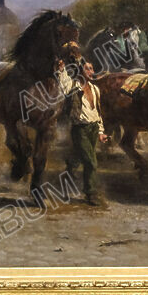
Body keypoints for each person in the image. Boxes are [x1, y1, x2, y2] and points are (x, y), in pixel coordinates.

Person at [56, 59, 110, 206]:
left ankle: (69, 168)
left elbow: (97, 112)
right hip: (80, 129)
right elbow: (64, 83)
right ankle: (90, 193)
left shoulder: (95, 89)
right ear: (80, 71)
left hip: (93, 128)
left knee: (81, 157)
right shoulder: (73, 87)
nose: (91, 72)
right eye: (87, 69)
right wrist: (61, 70)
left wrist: (101, 131)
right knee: (91, 162)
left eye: (92, 69)